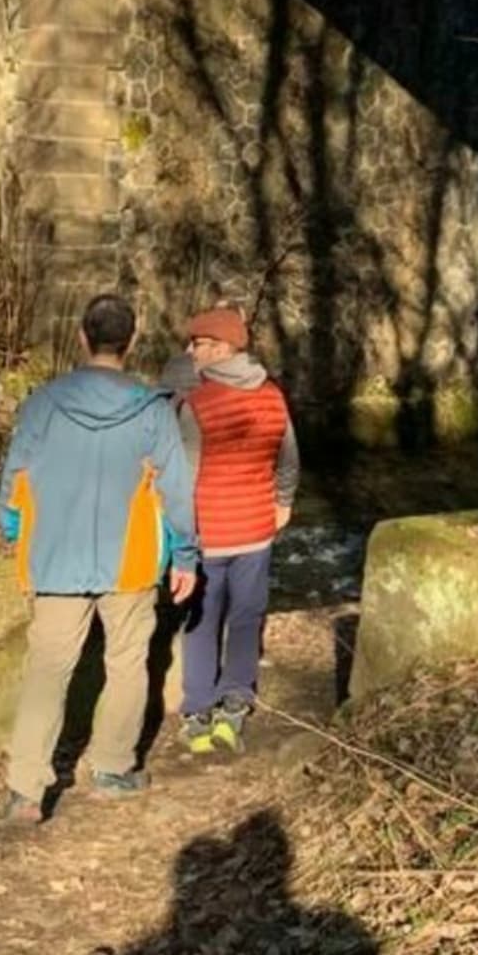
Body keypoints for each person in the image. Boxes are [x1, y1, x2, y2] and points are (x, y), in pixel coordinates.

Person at [0, 293, 199, 824]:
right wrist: (186, 556)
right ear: (130, 342)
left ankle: (25, 790)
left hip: (55, 557)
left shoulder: (42, 402)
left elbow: (15, 479)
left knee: (46, 670)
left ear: (83, 338)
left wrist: (13, 529)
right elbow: (177, 491)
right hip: (130, 562)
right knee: (129, 663)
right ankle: (111, 768)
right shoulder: (153, 409)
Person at [170, 304, 299, 754]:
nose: (192, 351)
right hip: (257, 530)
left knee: (202, 621)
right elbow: (288, 459)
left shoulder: (196, 403)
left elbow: (182, 478)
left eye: (199, 343)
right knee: (246, 617)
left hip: (210, 532)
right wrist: (282, 502)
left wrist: (178, 538)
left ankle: (197, 709)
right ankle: (236, 702)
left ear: (223, 348)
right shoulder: (273, 396)